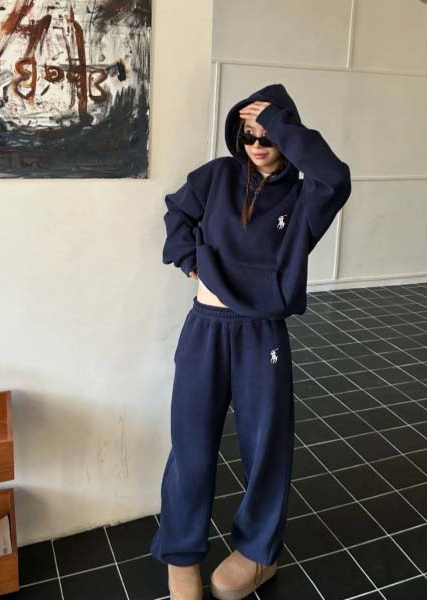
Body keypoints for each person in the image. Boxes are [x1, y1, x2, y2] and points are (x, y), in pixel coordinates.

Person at [150, 83, 352, 600]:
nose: (257, 145)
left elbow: (337, 176)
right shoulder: (217, 176)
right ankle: (181, 554)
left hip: (261, 332)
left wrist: (282, 123)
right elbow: (177, 212)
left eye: (268, 135)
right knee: (191, 441)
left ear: (287, 134)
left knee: (265, 445)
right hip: (206, 327)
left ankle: (258, 552)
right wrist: (188, 259)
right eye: (247, 135)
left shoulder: (306, 196)